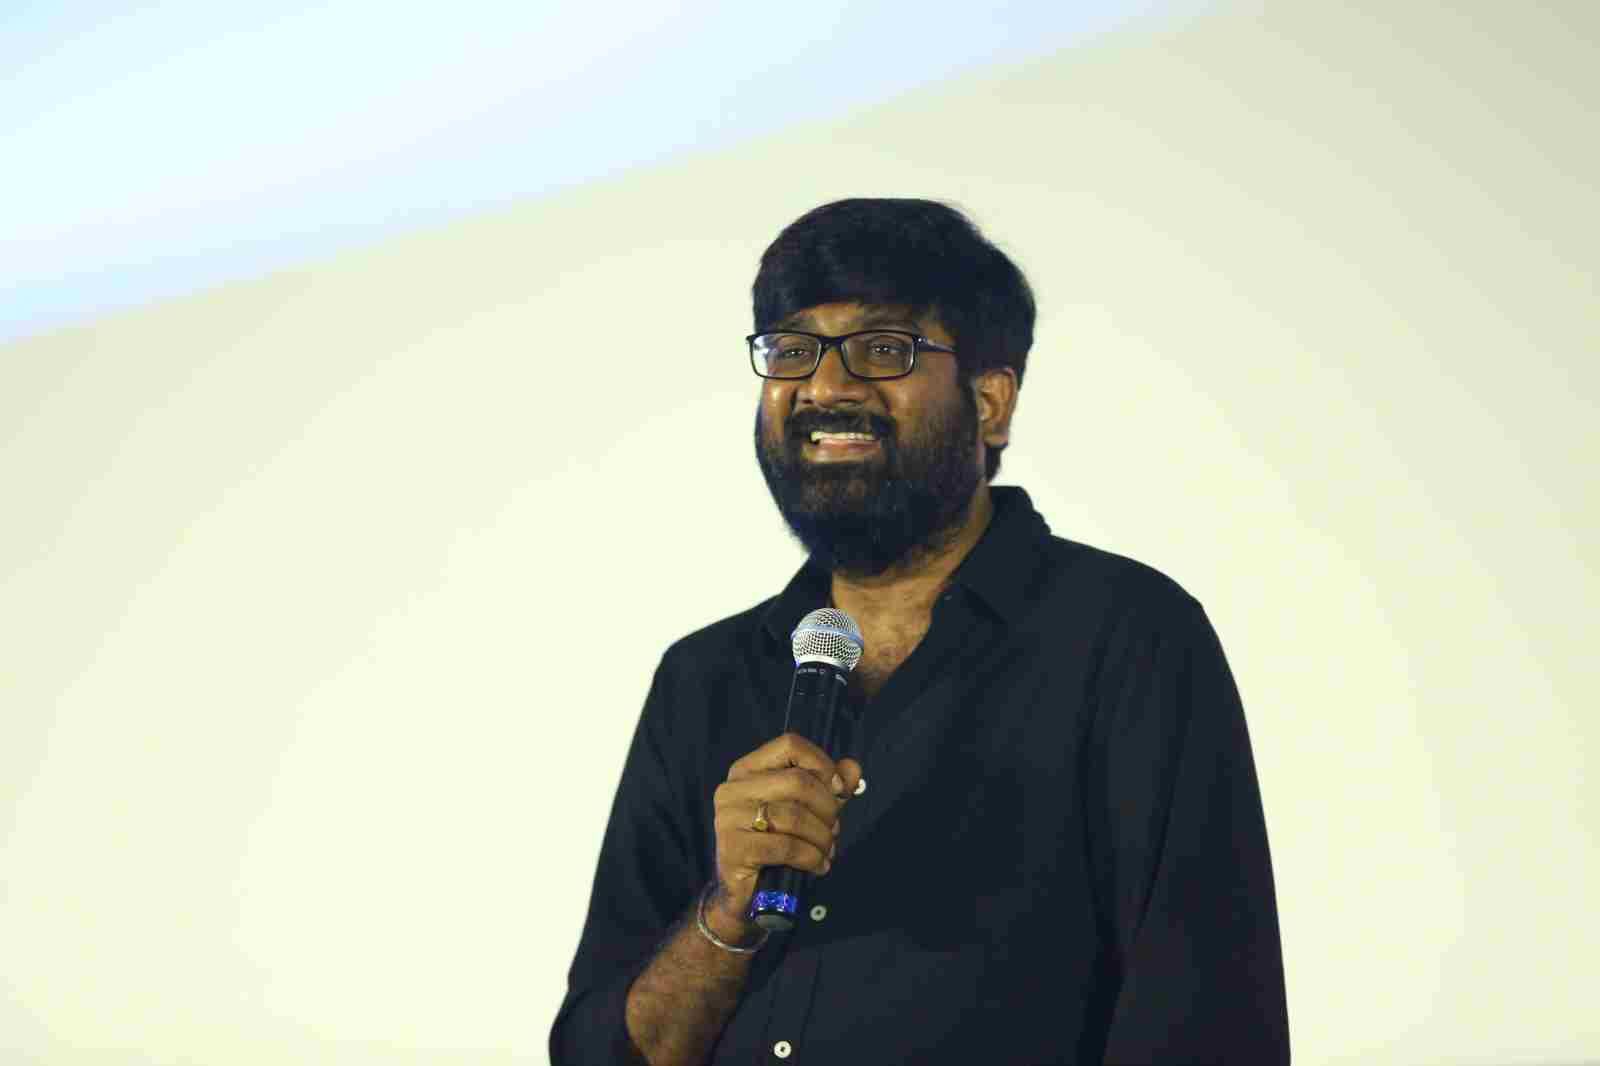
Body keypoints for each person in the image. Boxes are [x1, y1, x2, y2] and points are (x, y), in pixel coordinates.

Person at [549, 198, 1289, 1065]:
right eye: (792, 351)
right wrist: (727, 912)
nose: (825, 388)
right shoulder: (703, 678)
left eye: (882, 349)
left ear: (991, 403)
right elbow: (600, 1053)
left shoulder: (1127, 638)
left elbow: (1207, 1029)